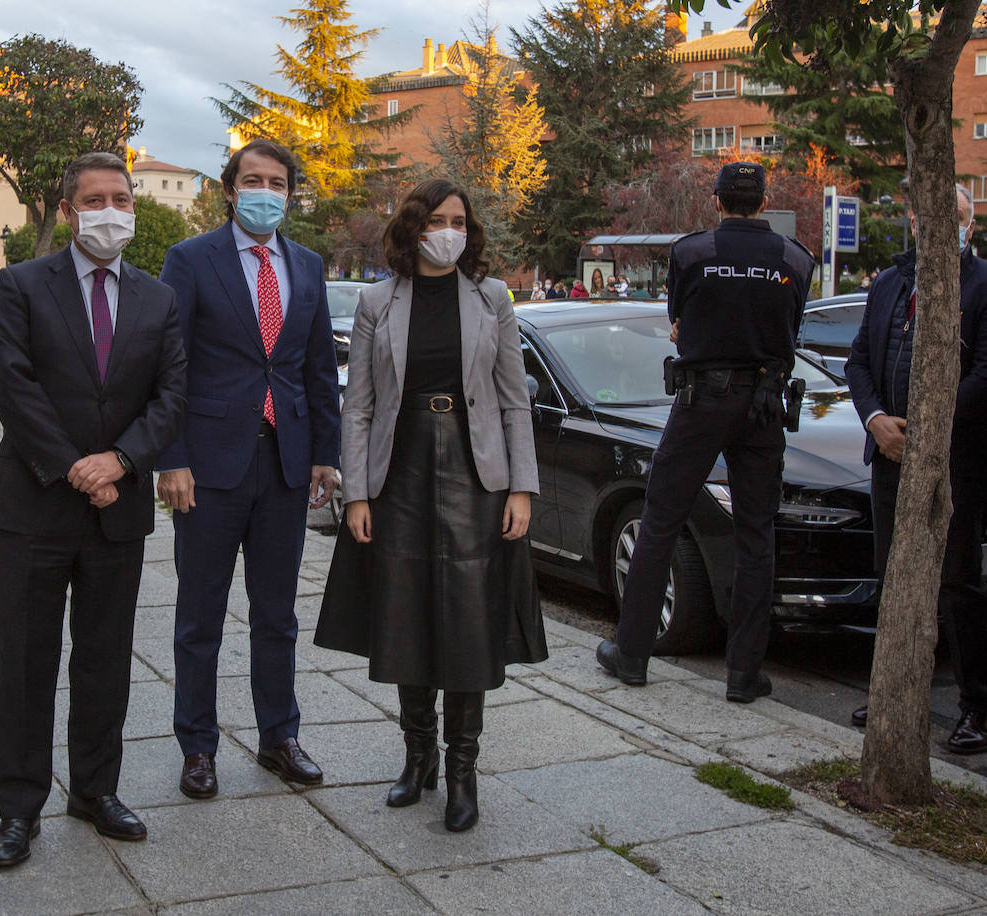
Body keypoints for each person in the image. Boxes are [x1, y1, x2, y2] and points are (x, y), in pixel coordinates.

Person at [315, 179, 545, 832]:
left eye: (460, 221)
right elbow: (357, 404)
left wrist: (521, 487)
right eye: (439, 219)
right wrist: (357, 494)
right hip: (401, 469)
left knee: (470, 619)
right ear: (414, 227)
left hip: (477, 475)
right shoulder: (376, 301)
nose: (452, 230)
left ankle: (463, 769)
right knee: (406, 611)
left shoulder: (493, 297)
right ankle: (417, 759)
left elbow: (512, 400)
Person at [0, 151, 187, 867]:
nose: (112, 211)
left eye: (122, 199)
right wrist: (75, 465)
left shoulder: (158, 299)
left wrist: (123, 461)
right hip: (36, 504)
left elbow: (171, 397)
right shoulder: (22, 286)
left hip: (117, 512)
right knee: (27, 662)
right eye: (96, 199)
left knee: (105, 661)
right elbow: (13, 385)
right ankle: (18, 808)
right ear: (69, 211)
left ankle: (95, 791)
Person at [156, 138, 341, 800]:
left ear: (290, 194)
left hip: (285, 462)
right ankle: (198, 746)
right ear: (231, 191)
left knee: (278, 613)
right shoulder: (191, 259)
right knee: (199, 615)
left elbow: (317, 368)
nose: (267, 192)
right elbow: (169, 365)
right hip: (207, 467)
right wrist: (170, 458)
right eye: (254, 180)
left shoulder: (308, 266)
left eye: (279, 183)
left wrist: (326, 452)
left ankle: (278, 737)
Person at [596, 162, 815, 702]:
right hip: (764, 402)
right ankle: (743, 674)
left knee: (661, 521)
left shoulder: (691, 252)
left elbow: (678, 318)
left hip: (701, 401)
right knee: (756, 534)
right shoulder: (796, 259)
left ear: (717, 202)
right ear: (764, 204)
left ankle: (632, 654)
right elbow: (792, 324)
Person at [844, 184, 987, 754]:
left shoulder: (980, 284)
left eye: (951, 216)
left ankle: (975, 704)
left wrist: (930, 428)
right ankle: (894, 693)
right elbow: (859, 359)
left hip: (956, 463)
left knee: (955, 585)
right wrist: (876, 418)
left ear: (969, 225)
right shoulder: (889, 282)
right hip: (889, 455)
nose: (939, 224)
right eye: (928, 215)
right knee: (893, 577)